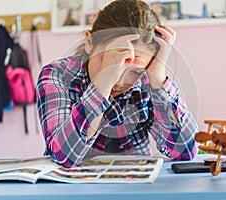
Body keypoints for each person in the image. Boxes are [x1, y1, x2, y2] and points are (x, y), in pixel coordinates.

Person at [36, 0, 198, 168]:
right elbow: (64, 157)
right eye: (109, 62)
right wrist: (103, 83)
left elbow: (185, 151)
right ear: (90, 43)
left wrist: (158, 78)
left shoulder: (147, 81)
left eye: (135, 71)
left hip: (132, 188)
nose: (120, 81)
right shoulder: (57, 75)